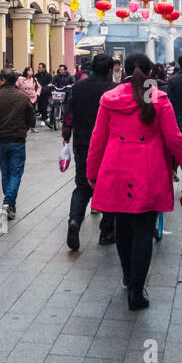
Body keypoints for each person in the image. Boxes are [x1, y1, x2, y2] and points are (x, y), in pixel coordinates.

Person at [88, 52, 182, 311]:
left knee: (123, 227)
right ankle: (137, 290)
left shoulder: (110, 98)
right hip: (148, 170)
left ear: (122, 69)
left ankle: (128, 277)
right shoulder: (156, 97)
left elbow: (98, 138)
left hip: (116, 168)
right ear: (150, 73)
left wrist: (91, 172)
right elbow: (174, 139)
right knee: (143, 230)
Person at [64, 53, 118, 250]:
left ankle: (75, 221)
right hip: (109, 146)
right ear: (111, 70)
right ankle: (106, 231)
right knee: (109, 187)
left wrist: (65, 137)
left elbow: (69, 114)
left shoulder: (79, 87)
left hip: (83, 144)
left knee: (82, 185)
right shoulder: (114, 90)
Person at [0, 69, 35, 219]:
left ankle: (10, 204)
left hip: (1, 139)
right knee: (16, 173)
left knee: (6, 172)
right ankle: (8, 202)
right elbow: (31, 118)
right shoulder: (23, 97)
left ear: (2, 80)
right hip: (18, 139)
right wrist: (24, 129)